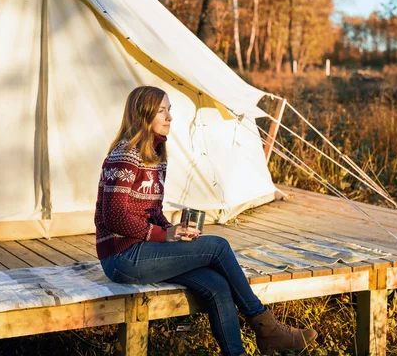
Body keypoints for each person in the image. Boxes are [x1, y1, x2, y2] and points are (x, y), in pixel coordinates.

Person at [95, 86, 317, 356]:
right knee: (218, 247)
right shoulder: (124, 156)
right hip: (121, 257)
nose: (169, 118)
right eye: (162, 111)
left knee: (216, 284)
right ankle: (266, 328)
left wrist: (173, 231)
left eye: (170, 110)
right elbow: (114, 216)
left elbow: (152, 212)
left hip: (142, 251)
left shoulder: (155, 159)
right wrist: (163, 236)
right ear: (143, 115)